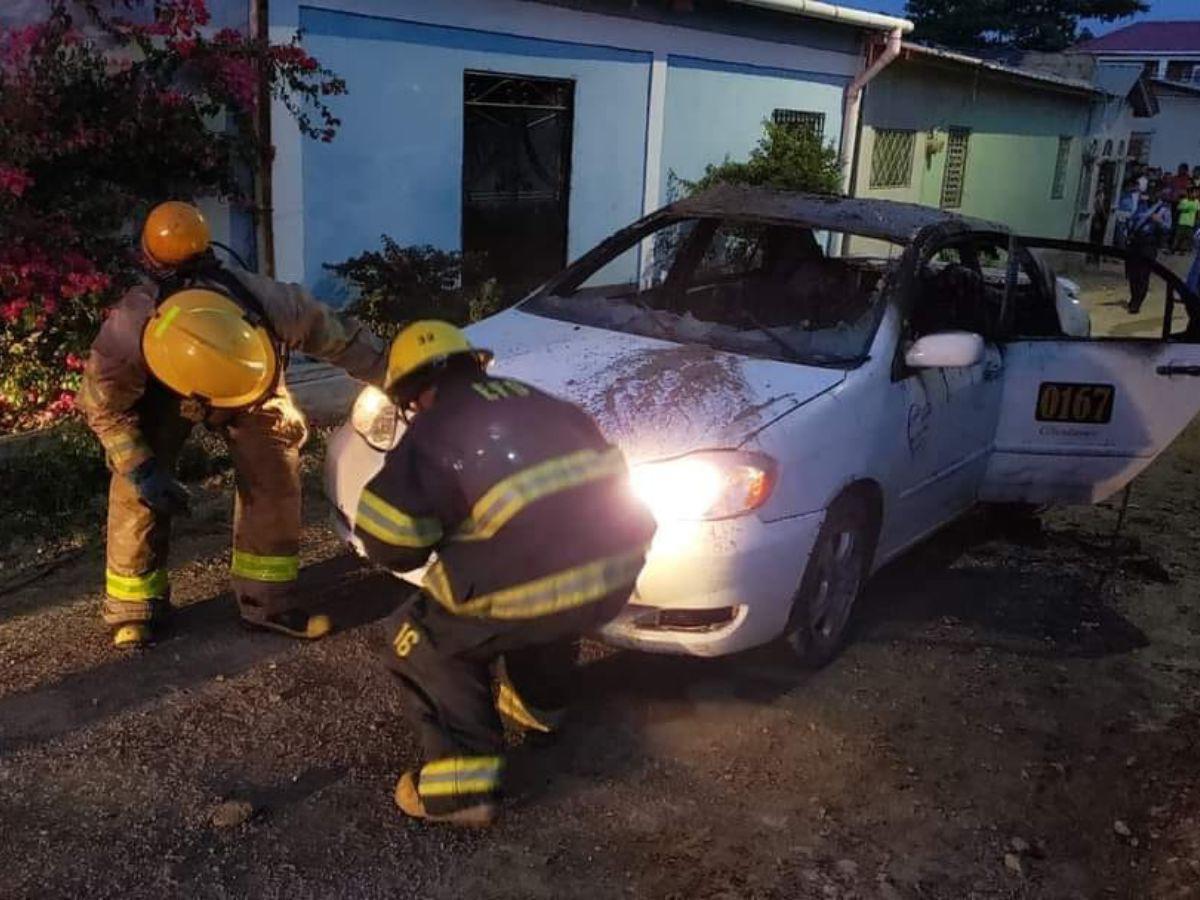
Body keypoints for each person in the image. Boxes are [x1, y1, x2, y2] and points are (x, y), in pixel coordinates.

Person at [351, 321, 656, 827]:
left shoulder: (435, 426)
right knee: (534, 596)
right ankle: (543, 707)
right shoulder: (547, 403)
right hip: (614, 573)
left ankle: (461, 790)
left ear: (412, 392)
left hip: (540, 587)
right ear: (473, 363)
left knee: (417, 640)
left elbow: (391, 543)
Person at [79, 201, 388, 648]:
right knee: (133, 489)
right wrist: (140, 464)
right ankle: (134, 607)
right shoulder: (132, 323)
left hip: (250, 389)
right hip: (167, 394)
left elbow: (332, 333)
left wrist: (396, 374)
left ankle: (268, 603)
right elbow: (103, 401)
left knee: (275, 474)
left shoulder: (260, 299)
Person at [1124, 191, 1173, 314]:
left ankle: (1137, 303)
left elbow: (1168, 227)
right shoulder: (1141, 206)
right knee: (1132, 274)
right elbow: (1132, 219)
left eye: (1154, 192)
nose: (1151, 196)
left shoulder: (1164, 210)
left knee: (1143, 275)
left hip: (1149, 244)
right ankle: (1134, 297)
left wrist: (1158, 221)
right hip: (1135, 242)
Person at [1174, 186, 1199, 253]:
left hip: (1190, 222)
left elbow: (1198, 211)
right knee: (1178, 236)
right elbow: (1179, 208)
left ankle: (1182, 250)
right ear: (1189, 193)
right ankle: (1173, 249)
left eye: (1195, 193)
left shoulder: (1197, 201)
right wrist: (1187, 207)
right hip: (1182, 222)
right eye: (1193, 193)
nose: (1195, 194)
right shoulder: (1184, 200)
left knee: (1187, 237)